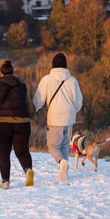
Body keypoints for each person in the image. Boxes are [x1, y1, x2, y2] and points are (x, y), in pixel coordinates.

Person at [0, 60, 34, 189]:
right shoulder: (22, 86)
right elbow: (29, 106)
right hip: (22, 123)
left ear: (1, 73)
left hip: (3, 125)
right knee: (22, 151)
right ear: (12, 72)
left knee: (4, 152)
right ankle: (28, 170)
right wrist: (30, 115)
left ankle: (5, 181)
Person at [32, 52, 83, 181]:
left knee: (53, 146)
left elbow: (39, 100)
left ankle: (61, 162)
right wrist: (72, 112)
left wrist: (32, 110)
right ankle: (64, 174)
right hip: (69, 118)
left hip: (55, 118)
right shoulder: (72, 80)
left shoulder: (47, 79)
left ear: (53, 65)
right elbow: (79, 102)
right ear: (65, 66)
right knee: (65, 145)